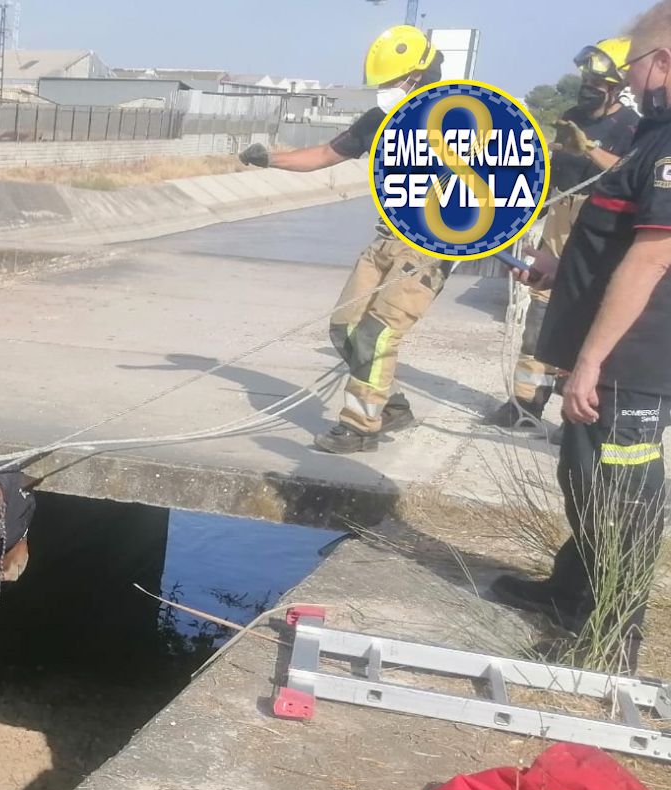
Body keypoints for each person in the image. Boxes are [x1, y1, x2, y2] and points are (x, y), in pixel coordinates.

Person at [490, 5, 671, 670]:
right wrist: (557, 265)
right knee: (586, 478)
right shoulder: (652, 135)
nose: (627, 82)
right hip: (610, 355)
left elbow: (653, 257)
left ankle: (614, 633)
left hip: (633, 359)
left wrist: (592, 359)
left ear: (663, 62)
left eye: (635, 67)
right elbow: (616, 236)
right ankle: (570, 593)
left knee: (623, 493)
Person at [237, 26, 450, 455]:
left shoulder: (456, 117)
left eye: (393, 81)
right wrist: (270, 159)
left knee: (377, 334)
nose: (386, 90)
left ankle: (359, 426)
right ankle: (391, 406)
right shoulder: (379, 121)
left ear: (418, 75)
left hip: (429, 247)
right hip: (387, 237)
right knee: (346, 328)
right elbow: (322, 154)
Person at [491, 38, 643, 430]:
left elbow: (630, 174)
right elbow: (553, 171)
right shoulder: (573, 116)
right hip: (561, 216)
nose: (588, 86)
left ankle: (575, 414)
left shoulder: (632, 126)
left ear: (618, 85)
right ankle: (526, 403)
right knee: (540, 316)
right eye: (586, 79)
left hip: (597, 223)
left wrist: (588, 147)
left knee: (585, 319)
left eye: (597, 81)